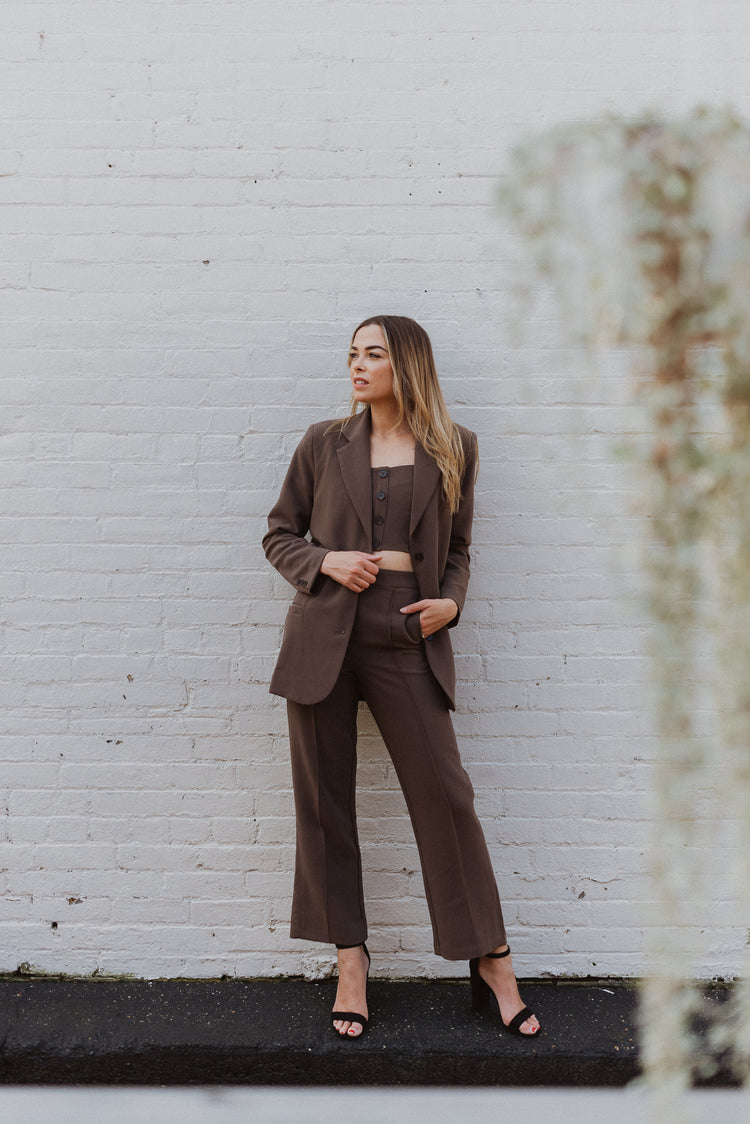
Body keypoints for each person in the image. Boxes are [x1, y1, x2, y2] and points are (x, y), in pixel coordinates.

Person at [262, 315, 540, 1041]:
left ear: (406, 364)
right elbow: (278, 534)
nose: (357, 366)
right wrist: (324, 562)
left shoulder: (455, 447)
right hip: (326, 628)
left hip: (408, 628)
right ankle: (350, 961)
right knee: (325, 805)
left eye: (373, 354)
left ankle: (492, 959)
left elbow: (462, 549)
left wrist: (452, 601)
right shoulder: (323, 443)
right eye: (352, 354)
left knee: (447, 800)